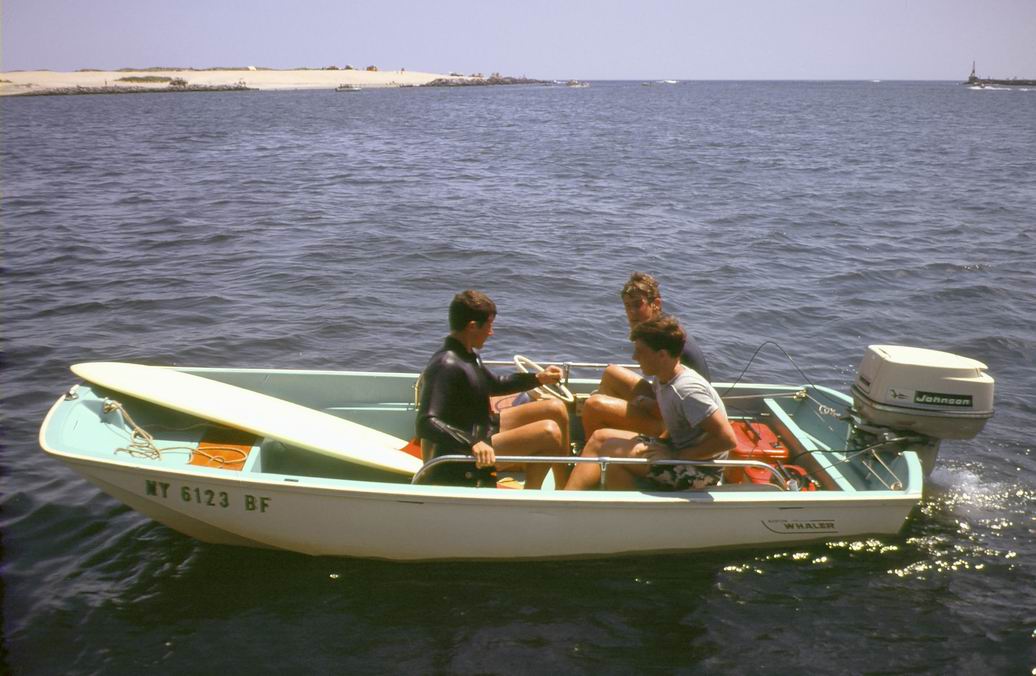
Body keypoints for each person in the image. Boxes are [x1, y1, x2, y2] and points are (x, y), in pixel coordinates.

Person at [416, 290, 570, 489]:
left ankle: (564, 487)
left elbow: (494, 384)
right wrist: (472, 442)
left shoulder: (467, 354)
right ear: (472, 327)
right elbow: (425, 423)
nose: (491, 332)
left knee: (555, 408)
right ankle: (532, 497)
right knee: (549, 433)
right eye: (489, 325)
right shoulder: (445, 365)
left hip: (480, 426)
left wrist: (539, 378)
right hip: (462, 448)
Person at [565, 314, 736, 491]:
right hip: (676, 448)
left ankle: (565, 503)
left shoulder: (688, 391)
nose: (634, 357)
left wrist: (675, 455)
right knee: (599, 438)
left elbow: (727, 440)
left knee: (610, 451)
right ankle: (572, 494)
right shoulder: (663, 378)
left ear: (662, 355)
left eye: (640, 351)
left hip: (698, 469)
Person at [580, 272, 711, 441]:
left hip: (678, 425)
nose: (632, 312)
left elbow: (674, 404)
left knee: (593, 406)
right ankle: (610, 441)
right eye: (627, 306)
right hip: (666, 402)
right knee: (611, 373)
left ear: (655, 304)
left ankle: (594, 455)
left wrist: (642, 403)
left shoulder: (666, 343)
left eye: (638, 304)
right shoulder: (662, 329)